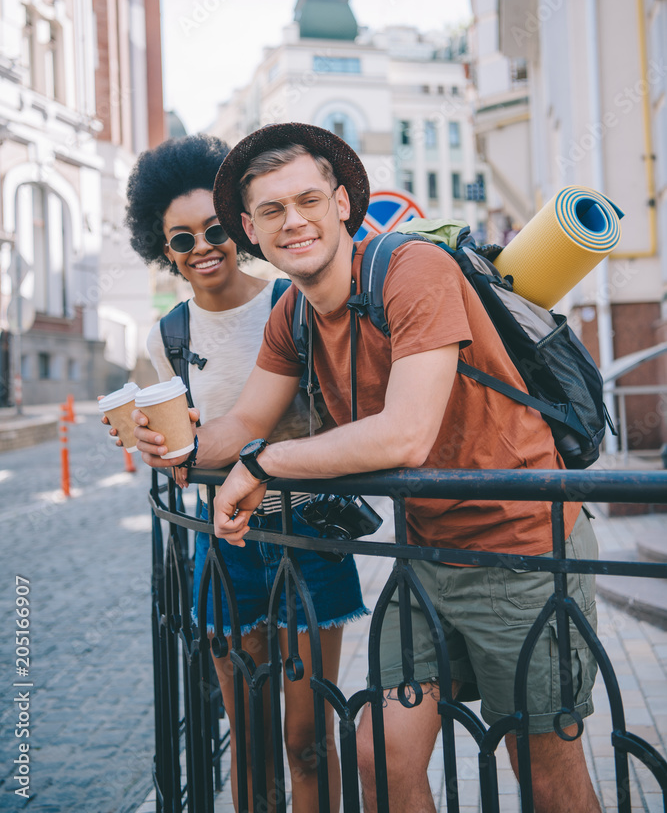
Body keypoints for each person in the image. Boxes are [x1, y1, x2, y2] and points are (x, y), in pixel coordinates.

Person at [134, 123, 601, 813]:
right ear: (250, 230)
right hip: (427, 559)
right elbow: (241, 426)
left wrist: (265, 464)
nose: (293, 222)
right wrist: (172, 448)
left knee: (544, 780)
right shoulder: (290, 312)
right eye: (270, 211)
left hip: (521, 552)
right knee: (377, 757)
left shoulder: (412, 268)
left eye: (308, 201)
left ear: (343, 203)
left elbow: (405, 435)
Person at [118, 134, 367, 813]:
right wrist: (155, 449)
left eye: (215, 228)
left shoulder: (293, 302)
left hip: (307, 535)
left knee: (306, 738)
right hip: (221, 545)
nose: (201, 246)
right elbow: (186, 457)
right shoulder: (166, 336)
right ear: (161, 249)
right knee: (250, 742)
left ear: (242, 226)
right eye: (179, 238)